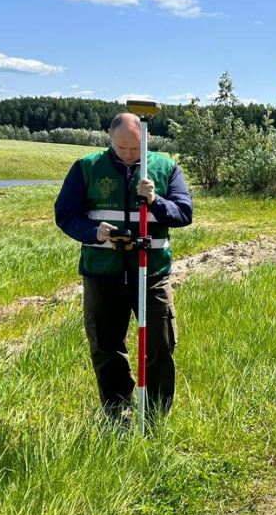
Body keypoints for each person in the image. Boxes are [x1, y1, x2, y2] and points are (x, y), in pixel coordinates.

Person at [55, 112, 193, 423]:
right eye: (122, 149)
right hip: (103, 274)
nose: (129, 155)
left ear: (146, 139)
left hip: (152, 274)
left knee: (160, 344)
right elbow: (65, 214)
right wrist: (92, 232)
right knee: (106, 347)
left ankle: (156, 416)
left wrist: (156, 201)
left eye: (135, 149)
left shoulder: (165, 167)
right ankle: (118, 413)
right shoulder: (87, 167)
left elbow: (184, 213)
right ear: (110, 137)